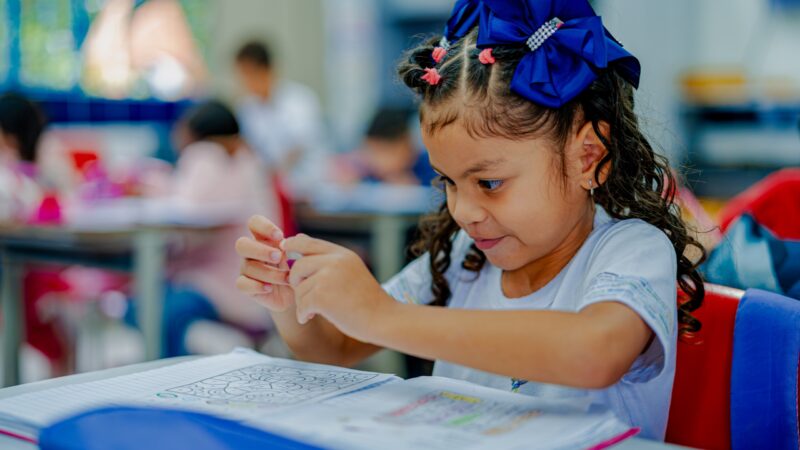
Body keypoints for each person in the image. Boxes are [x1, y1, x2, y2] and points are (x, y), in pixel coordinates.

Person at [233, 0, 706, 440]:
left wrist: (383, 315)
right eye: (448, 183)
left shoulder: (631, 249)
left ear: (588, 157)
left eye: (490, 184)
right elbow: (333, 347)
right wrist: (292, 302)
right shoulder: (465, 258)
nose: (464, 212)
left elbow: (593, 352)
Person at [138, 100, 281, 356]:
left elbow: (187, 210)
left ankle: (167, 380)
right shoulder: (249, 162)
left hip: (225, 283)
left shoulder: (207, 157)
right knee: (153, 305)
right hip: (248, 282)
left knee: (157, 310)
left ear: (195, 135)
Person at [234, 40, 328, 198]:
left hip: (306, 187)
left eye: (250, 73)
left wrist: (271, 172)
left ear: (268, 70)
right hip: (268, 190)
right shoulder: (247, 107)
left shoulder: (299, 100)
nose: (246, 81)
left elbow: (298, 147)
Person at [331, 106, 436, 186]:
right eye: (371, 151)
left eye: (382, 151)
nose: (376, 160)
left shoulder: (431, 166)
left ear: (405, 144)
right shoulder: (366, 168)